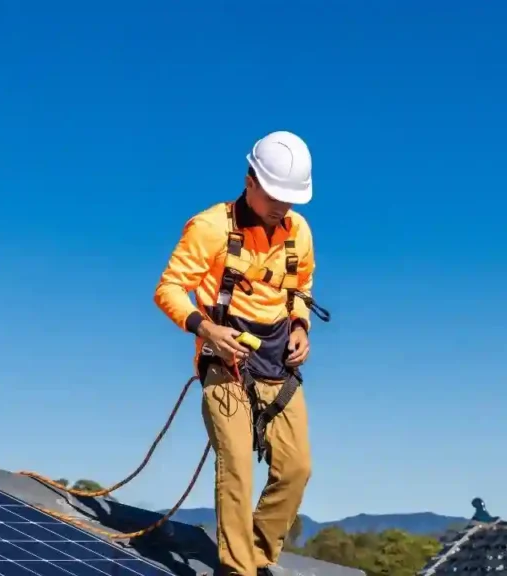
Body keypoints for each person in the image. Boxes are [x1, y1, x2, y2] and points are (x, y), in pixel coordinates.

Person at [154, 130, 320, 576]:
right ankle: (238, 570)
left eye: (290, 198)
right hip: (225, 362)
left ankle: (258, 556)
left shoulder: (298, 232)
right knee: (238, 466)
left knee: (296, 468)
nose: (281, 206)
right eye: (274, 195)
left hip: (278, 366)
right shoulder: (209, 228)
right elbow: (169, 288)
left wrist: (300, 325)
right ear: (251, 180)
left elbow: (300, 287)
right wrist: (205, 328)